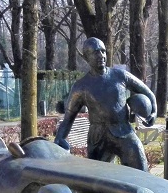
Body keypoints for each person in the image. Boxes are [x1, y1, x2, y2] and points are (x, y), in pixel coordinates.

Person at [54, 37, 157, 171]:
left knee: (140, 168)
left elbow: (148, 92)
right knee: (97, 181)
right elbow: (68, 119)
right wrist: (59, 139)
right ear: (86, 57)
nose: (101, 55)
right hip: (98, 138)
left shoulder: (120, 76)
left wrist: (153, 112)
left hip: (123, 131)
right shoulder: (80, 87)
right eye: (95, 52)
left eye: (103, 51)